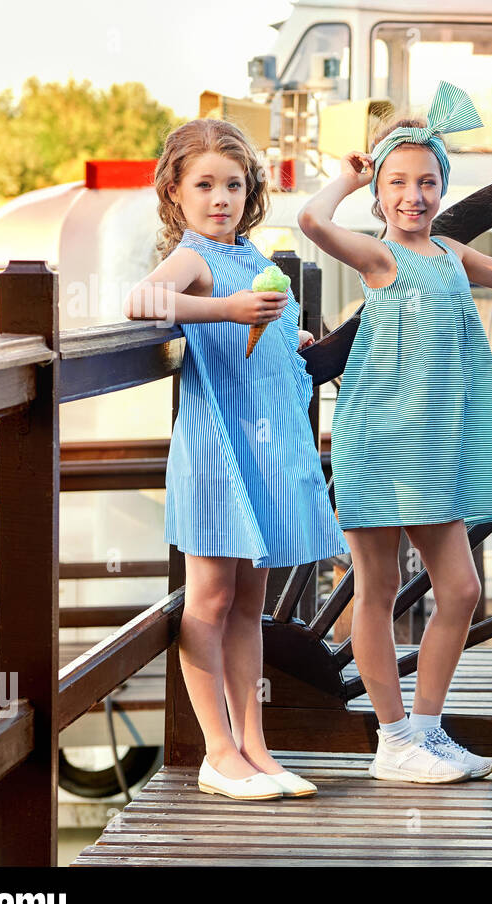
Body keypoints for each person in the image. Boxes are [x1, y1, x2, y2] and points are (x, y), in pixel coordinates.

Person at [298, 81, 492, 783]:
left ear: (442, 185)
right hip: (378, 434)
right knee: (374, 587)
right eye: (398, 182)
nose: (413, 195)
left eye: (426, 181)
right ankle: (393, 740)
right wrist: (348, 175)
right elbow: (310, 222)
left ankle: (425, 730)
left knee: (457, 589)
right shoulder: (379, 258)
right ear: (380, 192)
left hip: (438, 443)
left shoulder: (452, 254)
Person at [125, 118, 347, 800]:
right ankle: (217, 753)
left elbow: (261, 330)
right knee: (211, 599)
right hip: (218, 447)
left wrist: (292, 333)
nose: (220, 197)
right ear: (176, 191)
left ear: (249, 191)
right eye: (204, 185)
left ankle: (256, 746)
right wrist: (225, 309)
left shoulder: (255, 257)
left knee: (251, 605)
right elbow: (140, 301)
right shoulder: (195, 258)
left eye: (233, 184)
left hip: (266, 442)